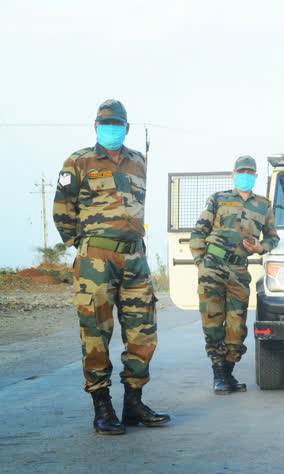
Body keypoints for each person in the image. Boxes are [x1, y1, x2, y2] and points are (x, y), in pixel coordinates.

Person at [53, 99, 170, 435]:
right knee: (96, 333)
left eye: (117, 124)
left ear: (126, 127)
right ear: (95, 127)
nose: (112, 129)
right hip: (96, 261)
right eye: (106, 124)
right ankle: (102, 407)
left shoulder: (138, 161)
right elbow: (63, 210)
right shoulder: (78, 161)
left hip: (135, 258)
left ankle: (133, 402)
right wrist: (86, 246)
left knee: (143, 332)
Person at [190, 156, 280, 394]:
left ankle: (228, 372)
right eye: (241, 171)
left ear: (256, 176)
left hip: (239, 270)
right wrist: (202, 262)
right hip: (213, 264)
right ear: (233, 174)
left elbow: (273, 237)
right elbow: (199, 231)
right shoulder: (218, 199)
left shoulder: (263, 204)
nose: (245, 175)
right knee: (212, 322)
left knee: (237, 327)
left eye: (250, 172)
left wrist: (261, 248)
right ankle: (219, 375)